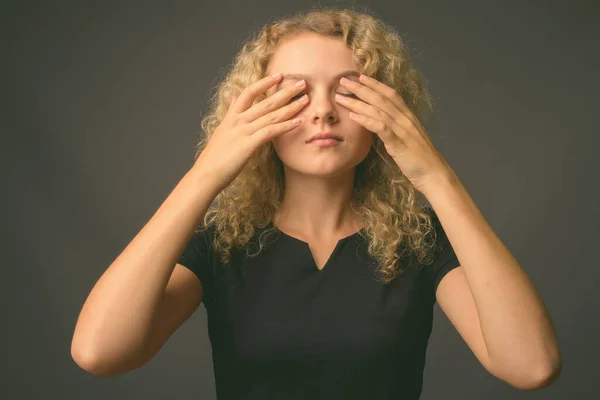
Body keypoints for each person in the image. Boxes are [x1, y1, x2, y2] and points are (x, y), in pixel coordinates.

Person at [71, 6, 561, 399]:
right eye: (297, 94)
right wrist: (207, 173)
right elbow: (99, 353)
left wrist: (435, 175)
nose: (324, 111)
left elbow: (531, 367)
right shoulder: (223, 246)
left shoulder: (420, 243)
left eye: (348, 91)